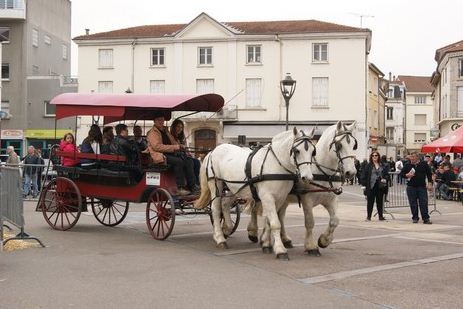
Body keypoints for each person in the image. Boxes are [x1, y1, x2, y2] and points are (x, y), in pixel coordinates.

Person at [146, 113, 198, 196]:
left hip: (170, 154)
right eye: (159, 120)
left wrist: (180, 146)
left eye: (162, 120)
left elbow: (173, 142)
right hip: (160, 155)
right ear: (154, 121)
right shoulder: (152, 133)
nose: (161, 122)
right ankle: (180, 187)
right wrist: (175, 147)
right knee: (179, 161)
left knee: (188, 160)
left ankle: (193, 186)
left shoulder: (165, 131)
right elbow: (157, 147)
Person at [401, 151, 433, 224]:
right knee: (413, 203)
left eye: (413, 157)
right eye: (411, 157)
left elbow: (429, 174)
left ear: (417, 157)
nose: (411, 158)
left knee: (423, 203)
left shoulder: (423, 164)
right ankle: (415, 217)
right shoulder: (407, 165)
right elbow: (401, 174)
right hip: (411, 187)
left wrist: (430, 183)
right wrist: (407, 175)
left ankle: (426, 218)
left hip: (421, 187)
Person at [170, 119, 201, 185]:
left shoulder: (182, 137)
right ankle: (191, 185)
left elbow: (186, 148)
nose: (180, 129)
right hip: (175, 155)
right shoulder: (170, 136)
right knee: (189, 162)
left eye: (181, 127)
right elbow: (173, 147)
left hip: (183, 155)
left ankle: (197, 183)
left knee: (197, 162)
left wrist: (188, 153)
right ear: (174, 127)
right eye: (178, 127)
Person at [360, 151, 389, 221]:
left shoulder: (382, 165)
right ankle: (368, 217)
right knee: (370, 202)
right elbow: (363, 176)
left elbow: (386, 174)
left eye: (376, 155)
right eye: (373, 155)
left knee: (380, 202)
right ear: (371, 157)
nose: (374, 157)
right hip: (371, 186)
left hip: (380, 186)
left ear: (378, 156)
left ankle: (380, 216)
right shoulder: (368, 166)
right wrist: (365, 185)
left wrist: (385, 179)